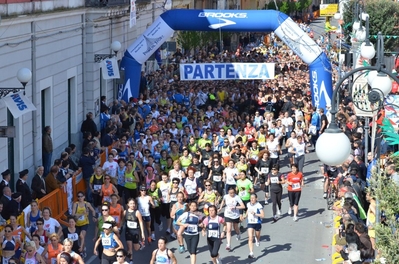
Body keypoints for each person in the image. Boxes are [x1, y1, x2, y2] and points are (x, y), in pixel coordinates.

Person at [218, 187, 245, 251]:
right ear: (228, 192)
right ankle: (228, 244)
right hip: (227, 215)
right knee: (229, 229)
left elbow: (243, 206)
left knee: (235, 227)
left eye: (233, 193)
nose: (232, 194)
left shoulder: (237, 197)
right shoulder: (226, 196)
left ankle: (238, 233)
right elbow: (223, 201)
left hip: (235, 215)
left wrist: (235, 207)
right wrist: (220, 208)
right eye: (230, 193)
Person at [121, 198, 145, 263]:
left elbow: (140, 222)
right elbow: (122, 220)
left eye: (133, 203)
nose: (132, 205)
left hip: (135, 232)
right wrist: (119, 227)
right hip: (128, 231)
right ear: (128, 204)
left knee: (136, 248)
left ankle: (140, 244)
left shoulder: (137, 212)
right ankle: (131, 260)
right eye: (131, 204)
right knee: (129, 247)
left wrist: (142, 233)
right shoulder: (125, 212)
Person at [246, 194, 265, 259]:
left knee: (257, 235)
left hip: (257, 223)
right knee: (250, 237)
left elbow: (262, 215)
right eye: (251, 198)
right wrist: (245, 216)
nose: (252, 199)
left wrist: (255, 214)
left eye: (253, 198)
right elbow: (248, 210)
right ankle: (251, 253)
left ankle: (258, 239)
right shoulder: (248, 204)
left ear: (256, 199)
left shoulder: (259, 205)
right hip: (250, 223)